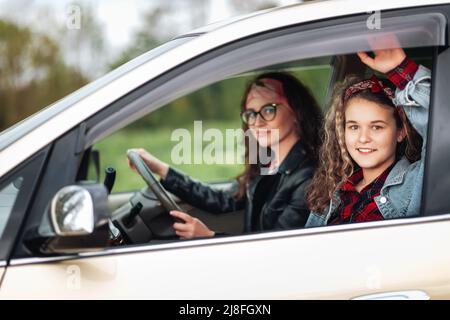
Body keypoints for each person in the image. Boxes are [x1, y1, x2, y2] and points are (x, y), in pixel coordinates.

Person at [128, 72, 323, 239]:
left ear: (297, 112)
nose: (257, 122)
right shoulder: (267, 165)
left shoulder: (309, 179)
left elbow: (275, 251)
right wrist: (160, 168)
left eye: (268, 109)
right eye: (251, 114)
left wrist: (208, 237)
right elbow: (222, 199)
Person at [305, 45, 431, 227]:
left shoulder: (416, 181)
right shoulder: (333, 192)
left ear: (401, 132)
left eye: (377, 127)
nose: (363, 138)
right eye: (354, 127)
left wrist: (401, 69)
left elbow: (442, 123)